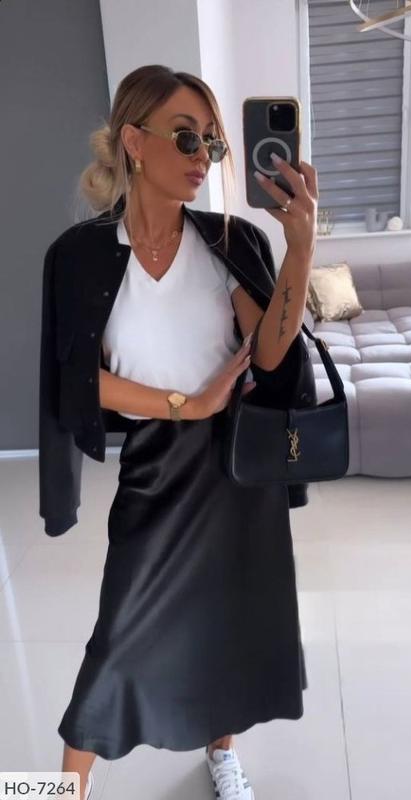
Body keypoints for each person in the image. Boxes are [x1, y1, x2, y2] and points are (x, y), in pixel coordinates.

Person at [49, 64, 318, 800]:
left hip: (237, 473)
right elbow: (78, 381)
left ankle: (222, 755)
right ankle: (63, 789)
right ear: (134, 142)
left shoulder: (228, 240)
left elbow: (270, 353)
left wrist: (299, 249)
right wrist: (184, 405)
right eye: (186, 137)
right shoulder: (79, 257)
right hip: (156, 467)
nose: (204, 156)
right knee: (117, 638)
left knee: (228, 627)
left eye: (213, 143)